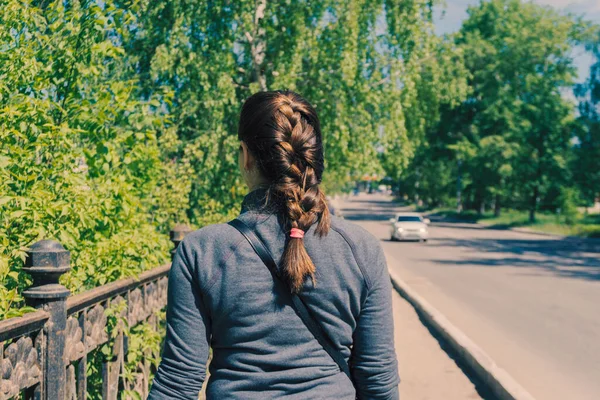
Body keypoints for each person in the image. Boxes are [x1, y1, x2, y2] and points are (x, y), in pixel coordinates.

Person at [148, 90, 399, 399]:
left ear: (245, 155)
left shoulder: (202, 251)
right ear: (315, 159)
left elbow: (178, 380)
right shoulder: (362, 250)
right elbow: (378, 380)